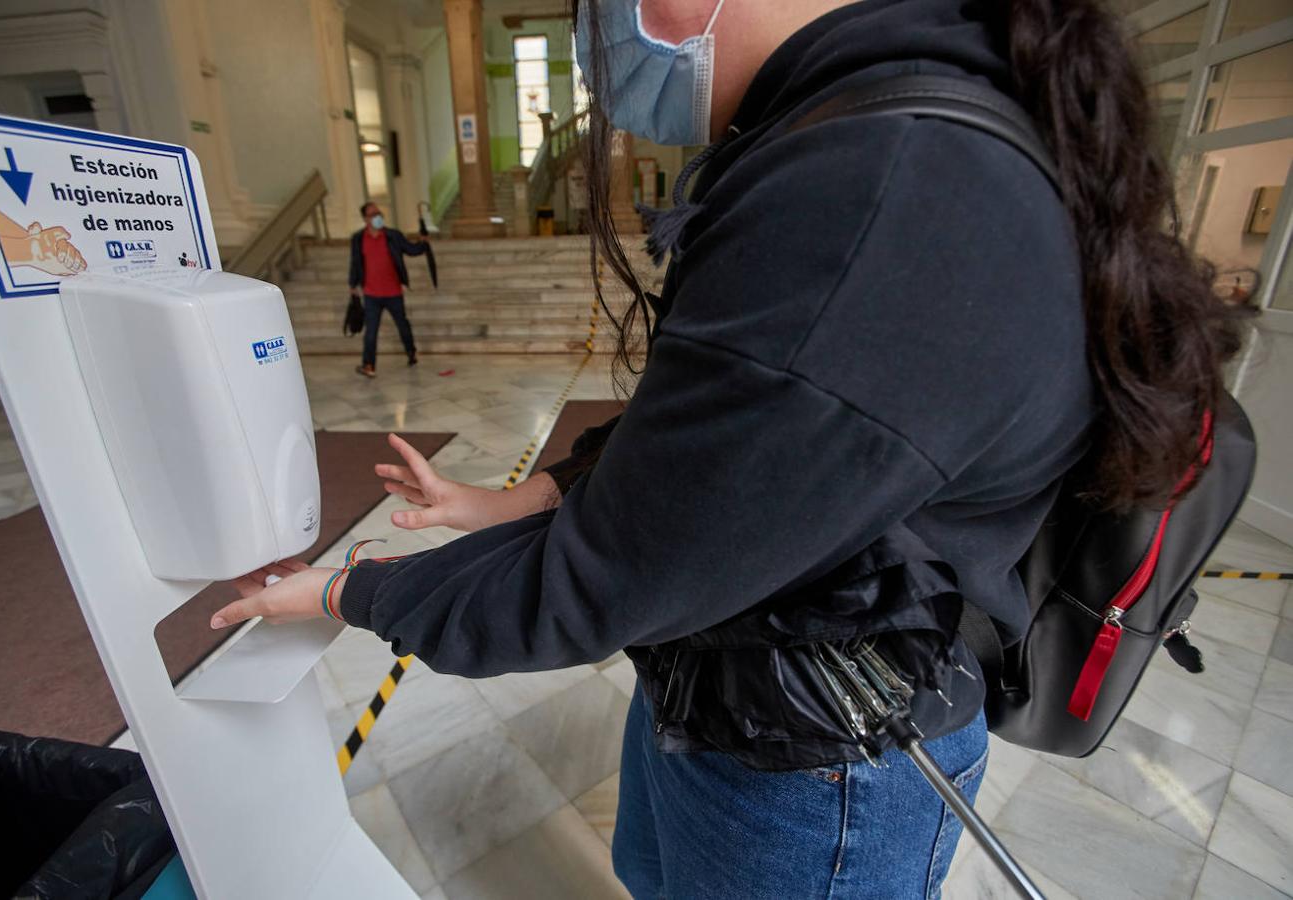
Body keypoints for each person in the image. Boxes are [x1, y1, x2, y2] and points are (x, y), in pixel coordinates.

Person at [214, 0, 1249, 895]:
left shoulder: (888, 186)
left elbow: (597, 584)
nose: (596, 35)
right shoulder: (854, 128)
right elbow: (722, 439)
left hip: (820, 768)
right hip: (727, 687)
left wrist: (351, 591)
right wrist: (516, 499)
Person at [349, 201, 429, 376]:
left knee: (403, 325)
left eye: (379, 213)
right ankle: (368, 365)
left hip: (393, 292)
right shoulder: (358, 239)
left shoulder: (393, 235)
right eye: (373, 214)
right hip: (371, 294)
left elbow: (411, 250)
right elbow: (355, 262)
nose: (378, 217)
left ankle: (411, 352)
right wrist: (352, 285)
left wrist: (423, 243)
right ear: (365, 219)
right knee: (371, 331)